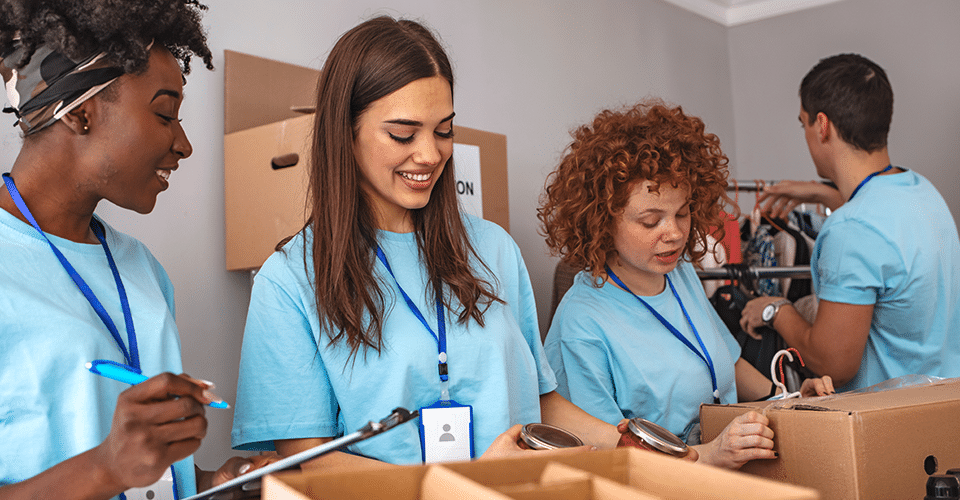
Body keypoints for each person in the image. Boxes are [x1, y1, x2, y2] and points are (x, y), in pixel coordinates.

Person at [231, 16, 628, 468]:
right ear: (345, 132)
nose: (430, 154)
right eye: (403, 134)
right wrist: (467, 486)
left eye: (444, 131)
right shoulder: (290, 279)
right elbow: (309, 461)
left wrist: (673, 454)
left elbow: (543, 402)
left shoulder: (494, 249)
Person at [0, 1, 274, 498]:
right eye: (165, 114)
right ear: (81, 114)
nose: (185, 144)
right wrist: (106, 469)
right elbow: (113, 469)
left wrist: (215, 484)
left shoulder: (142, 269)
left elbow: (149, 477)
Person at [539, 100, 833, 470]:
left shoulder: (679, 274)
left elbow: (726, 361)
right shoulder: (582, 323)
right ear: (602, 220)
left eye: (682, 213)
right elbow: (611, 456)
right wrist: (710, 456)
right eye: (651, 221)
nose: (675, 234)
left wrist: (787, 400)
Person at [740, 53, 960, 392]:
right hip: (942, 412)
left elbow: (833, 364)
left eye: (805, 124)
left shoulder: (850, 230)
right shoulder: (923, 192)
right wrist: (821, 193)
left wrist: (775, 310)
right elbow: (883, 236)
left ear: (822, 125)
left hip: (886, 426)